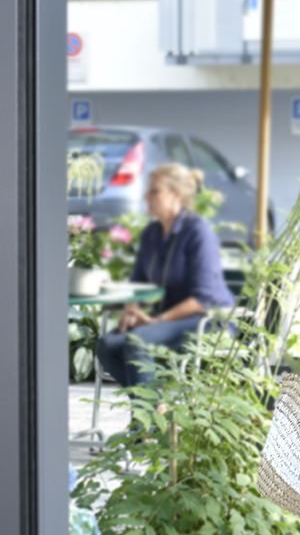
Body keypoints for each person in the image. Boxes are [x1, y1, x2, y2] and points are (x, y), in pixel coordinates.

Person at [94, 163, 233, 387]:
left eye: (154, 191)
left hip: (205, 321)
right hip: (166, 320)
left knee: (139, 341)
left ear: (176, 194)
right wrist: (132, 311)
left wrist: (155, 321)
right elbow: (137, 283)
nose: (146, 197)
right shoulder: (152, 233)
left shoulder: (198, 232)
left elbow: (202, 299)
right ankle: (156, 410)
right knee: (107, 345)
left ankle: (147, 419)